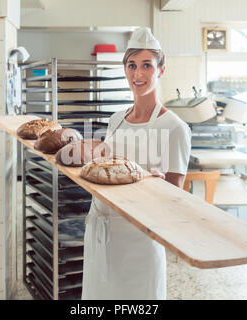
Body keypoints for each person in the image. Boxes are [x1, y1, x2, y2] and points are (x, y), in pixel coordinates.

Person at [82, 27, 192, 300]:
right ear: (125, 69)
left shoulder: (174, 126)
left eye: (147, 65)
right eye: (132, 65)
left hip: (139, 236)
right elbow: (107, 168)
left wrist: (157, 185)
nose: (138, 74)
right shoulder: (115, 119)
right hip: (100, 228)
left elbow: (176, 195)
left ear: (161, 70)